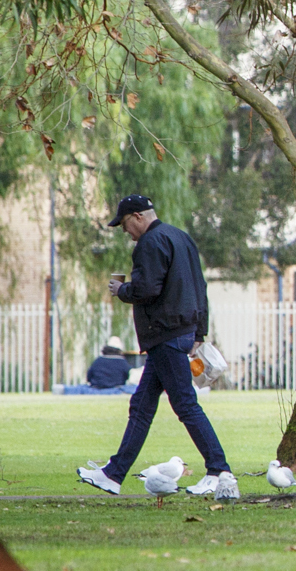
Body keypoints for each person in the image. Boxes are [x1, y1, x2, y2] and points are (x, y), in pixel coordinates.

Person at [79, 197, 235, 498]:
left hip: (164, 334)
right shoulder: (182, 237)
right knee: (141, 406)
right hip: (182, 332)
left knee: (186, 405)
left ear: (137, 217)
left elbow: (148, 289)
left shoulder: (149, 244)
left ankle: (219, 470)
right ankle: (113, 474)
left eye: (125, 225)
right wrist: (199, 331)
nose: (126, 232)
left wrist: (121, 290)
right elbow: (199, 287)